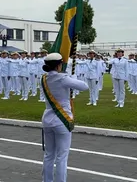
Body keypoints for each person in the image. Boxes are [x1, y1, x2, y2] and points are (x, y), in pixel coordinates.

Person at [41, 53, 88, 182]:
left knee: (49, 155)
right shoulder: (63, 79)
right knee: (62, 157)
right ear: (59, 65)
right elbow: (84, 86)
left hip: (47, 119)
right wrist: (73, 77)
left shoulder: (44, 78)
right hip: (61, 120)